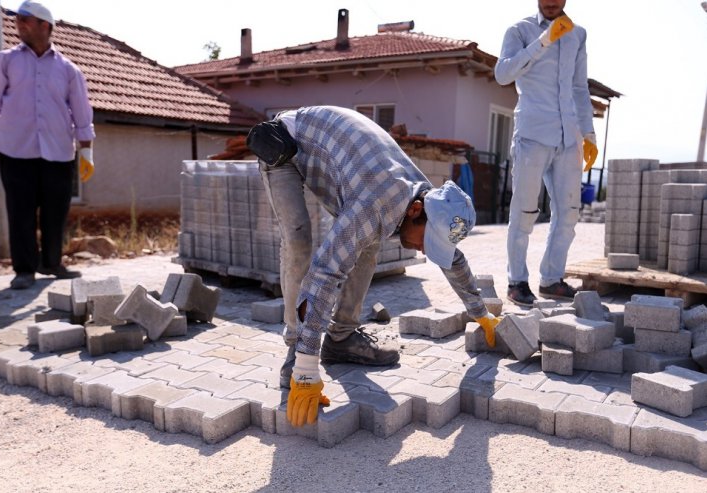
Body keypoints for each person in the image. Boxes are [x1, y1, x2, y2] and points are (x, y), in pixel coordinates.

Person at [246, 105, 501, 427]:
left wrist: (479, 311)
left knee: (366, 241)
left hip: (344, 162)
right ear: (415, 211)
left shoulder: (428, 198)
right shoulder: (377, 202)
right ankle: (295, 354)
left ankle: (341, 339)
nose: (424, 250)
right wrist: (307, 367)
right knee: (299, 243)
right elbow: (325, 274)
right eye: (426, 240)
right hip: (287, 144)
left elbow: (453, 259)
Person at [0, 1, 95, 290]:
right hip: (16, 149)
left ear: (45, 25)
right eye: (17, 20)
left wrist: (87, 150)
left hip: (59, 151)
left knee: (56, 210)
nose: (19, 25)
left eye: (26, 20)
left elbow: (81, 111)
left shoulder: (69, 70)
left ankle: (52, 263)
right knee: (21, 210)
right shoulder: (4, 61)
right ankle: (24, 269)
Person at [495, 0, 598, 307]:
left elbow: (579, 88)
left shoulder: (577, 34)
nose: (551, 2)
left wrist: (588, 132)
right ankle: (516, 281)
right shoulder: (519, 30)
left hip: (569, 137)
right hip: (532, 133)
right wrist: (544, 40)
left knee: (568, 213)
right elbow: (503, 74)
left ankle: (551, 279)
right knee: (525, 211)